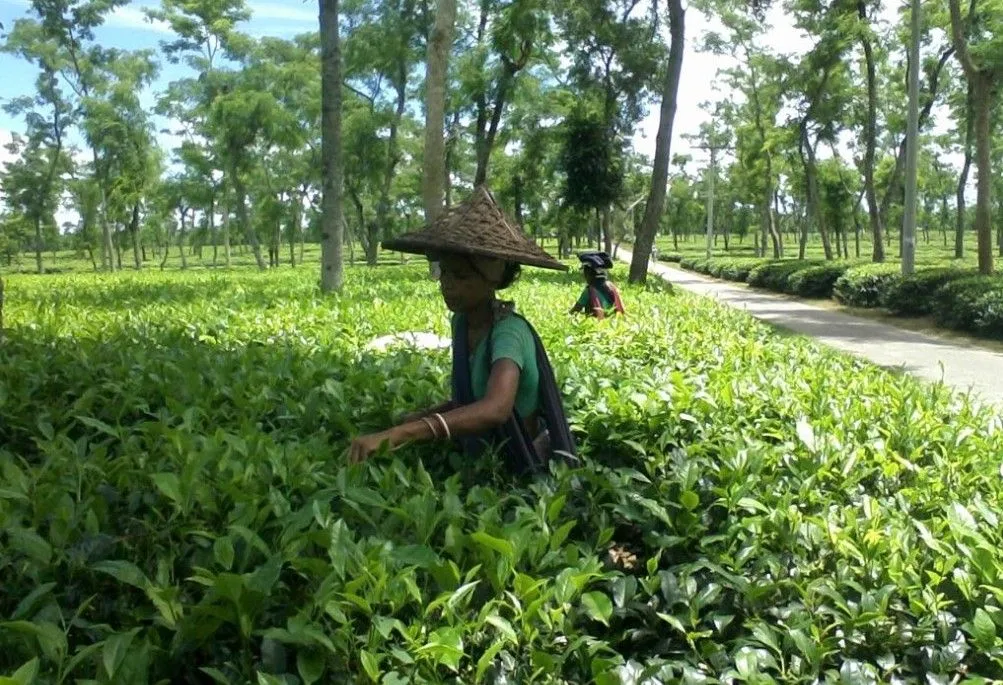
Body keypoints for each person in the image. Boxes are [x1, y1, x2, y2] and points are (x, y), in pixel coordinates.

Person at [348, 186, 577, 473]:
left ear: (492, 280)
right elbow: (470, 401)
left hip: (520, 466)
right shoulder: (462, 323)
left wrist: (402, 434)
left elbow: (496, 408)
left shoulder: (509, 333)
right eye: (444, 272)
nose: (447, 283)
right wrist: (419, 418)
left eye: (461, 275)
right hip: (479, 461)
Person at [570, 251, 625, 319]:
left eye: (585, 273)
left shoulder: (589, 291)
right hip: (613, 324)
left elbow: (576, 310)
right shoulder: (612, 287)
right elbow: (621, 309)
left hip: (595, 325)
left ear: (589, 274)